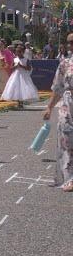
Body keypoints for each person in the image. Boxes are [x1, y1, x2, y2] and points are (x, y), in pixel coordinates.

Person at [43, 33, 73, 192]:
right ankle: (69, 177)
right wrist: (49, 107)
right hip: (68, 104)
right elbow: (58, 88)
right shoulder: (64, 63)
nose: (70, 45)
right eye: (69, 42)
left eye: (72, 42)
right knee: (66, 139)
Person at [1, 44, 38, 108]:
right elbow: (11, 68)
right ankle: (18, 101)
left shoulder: (26, 59)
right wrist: (15, 66)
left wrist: (21, 66)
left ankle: (21, 102)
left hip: (23, 76)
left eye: (19, 52)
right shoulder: (15, 59)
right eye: (17, 52)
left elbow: (29, 68)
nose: (18, 53)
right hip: (15, 75)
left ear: (23, 52)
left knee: (22, 88)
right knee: (16, 87)